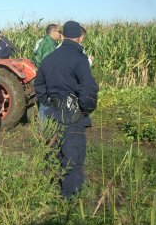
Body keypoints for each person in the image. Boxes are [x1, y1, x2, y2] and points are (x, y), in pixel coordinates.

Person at [34, 20, 99, 199]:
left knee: (53, 151)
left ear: (62, 36)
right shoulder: (79, 59)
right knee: (73, 155)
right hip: (72, 114)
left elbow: (38, 84)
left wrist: (46, 102)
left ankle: (49, 189)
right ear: (80, 37)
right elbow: (89, 88)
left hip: (53, 112)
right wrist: (85, 109)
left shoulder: (49, 58)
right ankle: (69, 197)